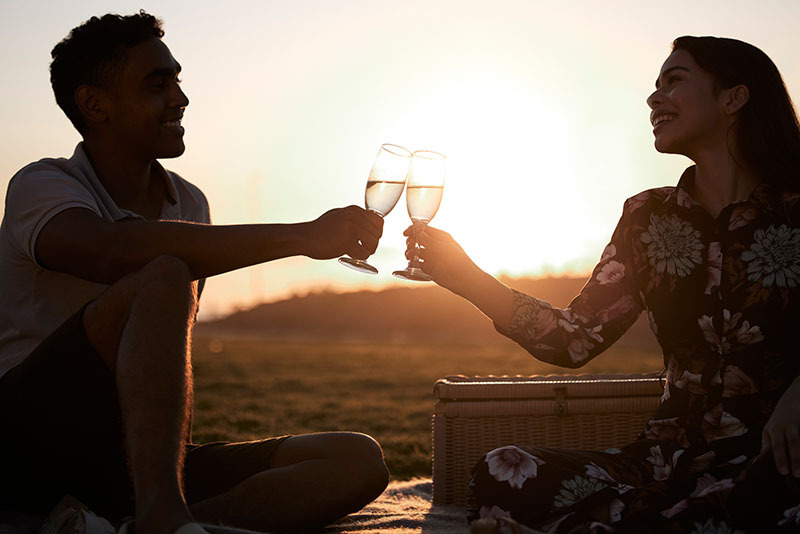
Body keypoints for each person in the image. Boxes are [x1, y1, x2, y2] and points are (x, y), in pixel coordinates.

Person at [0, 11, 389, 534]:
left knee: (355, 460)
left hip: (127, 460)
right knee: (164, 276)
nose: (180, 99)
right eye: (158, 85)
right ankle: (164, 518)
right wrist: (302, 237)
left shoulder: (189, 202)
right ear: (95, 104)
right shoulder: (42, 185)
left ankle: (138, 526)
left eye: (178, 82)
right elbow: (111, 253)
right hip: (24, 444)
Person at [407, 36, 800, 532]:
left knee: (744, 507)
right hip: (665, 457)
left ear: (733, 98)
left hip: (779, 461)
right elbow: (575, 339)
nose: (654, 98)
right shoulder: (646, 217)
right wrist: (465, 276)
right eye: (654, 86)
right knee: (503, 471)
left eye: (675, 81)